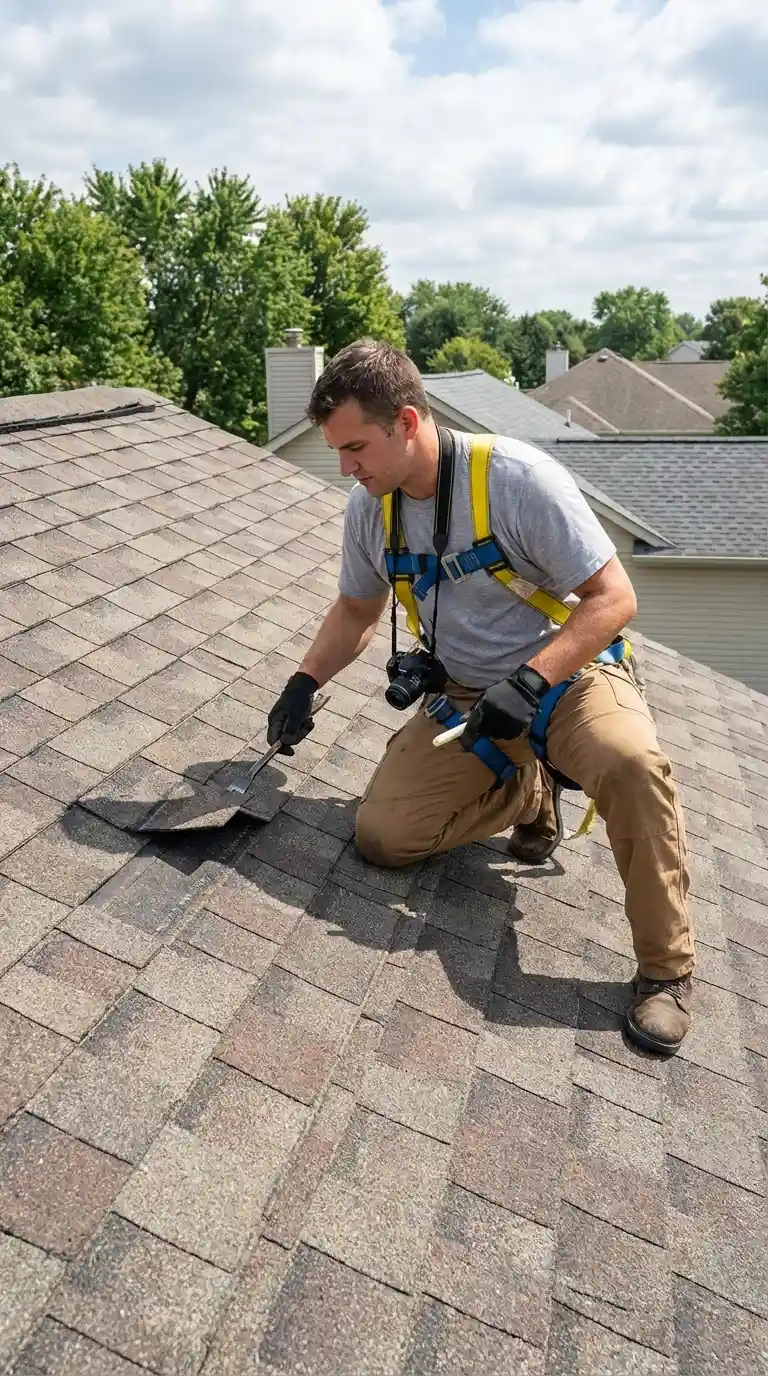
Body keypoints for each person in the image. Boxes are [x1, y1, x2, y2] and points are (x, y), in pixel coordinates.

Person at [266, 339, 695, 1055]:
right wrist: (303, 682)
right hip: (466, 693)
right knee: (383, 839)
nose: (345, 466)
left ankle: (667, 971)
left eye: (355, 447)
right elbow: (354, 612)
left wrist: (532, 680)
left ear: (406, 422)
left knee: (629, 763)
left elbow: (614, 599)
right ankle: (530, 793)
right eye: (338, 451)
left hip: (566, 677)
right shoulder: (371, 509)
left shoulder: (519, 481)